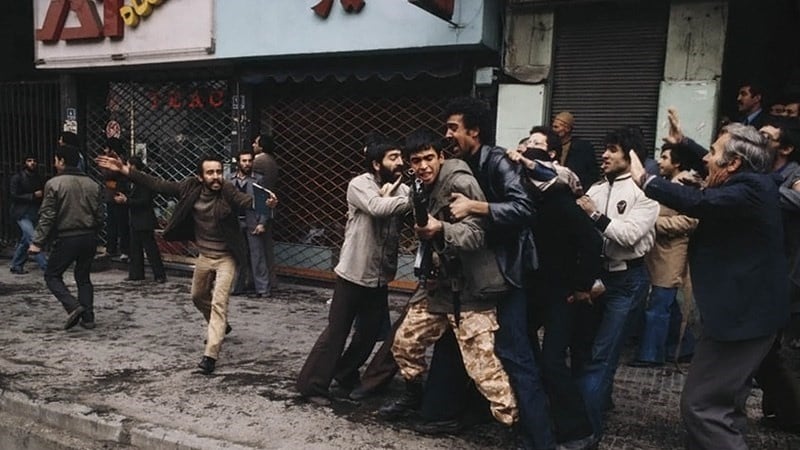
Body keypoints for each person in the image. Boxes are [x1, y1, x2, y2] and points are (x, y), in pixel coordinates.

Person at [629, 122, 788, 450]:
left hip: (742, 321)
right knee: (725, 408)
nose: (706, 158)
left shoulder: (750, 190)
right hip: (744, 317)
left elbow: (700, 203)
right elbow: (716, 171)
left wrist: (647, 180)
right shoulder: (749, 181)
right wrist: (685, 143)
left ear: (734, 163)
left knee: (702, 408)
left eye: (713, 152)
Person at [378, 128, 517, 428]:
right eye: (417, 160)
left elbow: (478, 235)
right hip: (439, 288)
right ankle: (414, 394)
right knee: (405, 343)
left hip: (470, 291)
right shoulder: (420, 185)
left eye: (429, 158)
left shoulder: (460, 182)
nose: (423, 166)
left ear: (441, 157)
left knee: (484, 370)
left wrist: (441, 228)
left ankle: (515, 425)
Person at [439, 96, 555, 449]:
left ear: (474, 131)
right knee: (478, 348)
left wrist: (476, 206)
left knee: (516, 353)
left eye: (453, 128)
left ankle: (539, 440)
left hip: (508, 274)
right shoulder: (462, 162)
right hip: (479, 271)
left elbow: (524, 209)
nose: (447, 134)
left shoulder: (499, 161)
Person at [95, 153, 278, 374]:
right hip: (204, 256)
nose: (216, 177)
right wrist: (125, 171)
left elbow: (245, 201)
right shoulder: (190, 188)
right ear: (200, 177)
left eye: (218, 172)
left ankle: (210, 356)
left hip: (226, 258)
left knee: (219, 303)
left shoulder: (227, 189)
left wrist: (265, 203)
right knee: (197, 297)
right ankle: (221, 326)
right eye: (210, 173)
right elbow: (158, 184)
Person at [295, 140, 410, 405]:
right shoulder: (359, 184)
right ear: (376, 164)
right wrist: (411, 199)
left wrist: (406, 197)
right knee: (337, 331)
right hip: (353, 273)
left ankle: (345, 373)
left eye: (400, 156)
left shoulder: (402, 188)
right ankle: (312, 385)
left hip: (379, 275)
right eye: (393, 157)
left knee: (369, 332)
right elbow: (377, 207)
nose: (400, 162)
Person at [507, 126, 601, 449]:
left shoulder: (560, 198)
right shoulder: (527, 198)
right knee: (527, 358)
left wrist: (582, 286)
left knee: (552, 363)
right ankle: (540, 422)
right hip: (532, 290)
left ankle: (579, 432)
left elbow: (592, 242)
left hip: (561, 293)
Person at [575, 127, 659, 440]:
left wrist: (594, 215)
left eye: (612, 149)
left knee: (603, 355)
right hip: (598, 277)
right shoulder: (597, 188)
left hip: (628, 280)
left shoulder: (645, 193)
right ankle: (599, 404)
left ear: (630, 155)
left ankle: (587, 434)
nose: (605, 155)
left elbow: (627, 235)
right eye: (605, 148)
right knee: (588, 350)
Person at [628, 143, 699, 368]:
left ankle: (650, 355)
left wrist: (653, 223)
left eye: (665, 157)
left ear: (677, 163)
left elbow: (690, 220)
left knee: (659, 304)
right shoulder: (667, 183)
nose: (660, 161)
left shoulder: (686, 185)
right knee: (666, 303)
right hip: (657, 252)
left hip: (672, 253)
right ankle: (685, 347)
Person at [30, 145, 103, 330]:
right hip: (89, 235)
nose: (55, 163)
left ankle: (72, 305)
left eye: (56, 160)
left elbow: (48, 215)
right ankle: (88, 317)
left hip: (68, 235)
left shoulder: (54, 184)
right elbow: (99, 214)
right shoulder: (92, 184)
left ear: (61, 161)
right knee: (83, 277)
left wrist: (37, 241)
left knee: (52, 275)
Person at [112, 156, 166, 283]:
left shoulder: (144, 181)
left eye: (129, 165)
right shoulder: (132, 181)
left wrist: (127, 201)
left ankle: (159, 274)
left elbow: (144, 201)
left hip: (144, 219)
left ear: (134, 167)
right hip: (136, 219)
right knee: (135, 248)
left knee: (150, 248)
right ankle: (136, 273)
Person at [230, 149, 270, 298]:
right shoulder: (229, 179)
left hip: (253, 220)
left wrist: (262, 223)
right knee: (236, 255)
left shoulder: (258, 179)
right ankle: (236, 287)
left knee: (257, 255)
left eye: (249, 161)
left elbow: (263, 203)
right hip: (234, 221)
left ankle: (263, 289)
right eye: (244, 161)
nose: (247, 164)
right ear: (238, 162)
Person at [9, 155, 48, 274]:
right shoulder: (17, 177)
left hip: (34, 212)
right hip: (21, 213)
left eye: (34, 161)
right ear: (24, 163)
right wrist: (32, 195)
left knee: (26, 240)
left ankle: (16, 265)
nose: (32, 163)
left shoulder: (39, 177)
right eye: (29, 160)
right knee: (33, 238)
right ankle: (46, 267)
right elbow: (13, 195)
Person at [251, 133, 279, 289]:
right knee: (266, 246)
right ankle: (270, 280)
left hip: (260, 204)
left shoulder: (259, 160)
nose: (253, 145)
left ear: (261, 146)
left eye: (256, 143)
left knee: (258, 247)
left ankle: (261, 282)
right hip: (268, 203)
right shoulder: (271, 161)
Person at [551, 111, 599, 189]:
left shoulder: (583, 148)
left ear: (567, 128)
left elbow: (592, 175)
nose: (553, 130)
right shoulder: (550, 146)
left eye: (556, 127)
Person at [101, 137, 130, 261]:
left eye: (106, 148)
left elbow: (109, 174)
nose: (105, 150)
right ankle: (111, 249)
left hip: (118, 195)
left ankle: (124, 250)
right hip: (111, 195)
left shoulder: (119, 159)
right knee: (112, 224)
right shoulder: (112, 159)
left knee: (121, 224)